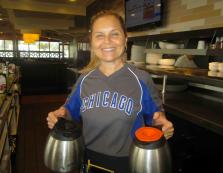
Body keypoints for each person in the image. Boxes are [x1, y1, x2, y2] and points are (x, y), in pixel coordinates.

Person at [47, 10, 174, 173]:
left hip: (128, 164)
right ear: (92, 42)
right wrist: (59, 115)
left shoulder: (141, 79)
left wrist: (162, 123)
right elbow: (69, 111)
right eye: (99, 35)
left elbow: (155, 118)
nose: (107, 41)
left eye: (114, 34)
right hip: (89, 162)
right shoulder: (84, 79)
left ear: (125, 39)